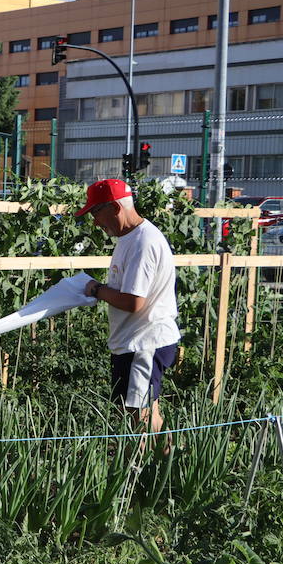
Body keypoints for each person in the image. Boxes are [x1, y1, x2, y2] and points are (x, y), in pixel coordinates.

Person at [76, 178, 180, 435]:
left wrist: (97, 290)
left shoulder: (143, 243)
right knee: (138, 411)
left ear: (114, 207)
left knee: (140, 415)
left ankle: (145, 472)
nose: (95, 222)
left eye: (96, 213)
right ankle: (161, 469)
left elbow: (134, 301)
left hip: (145, 342)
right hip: (134, 341)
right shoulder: (130, 238)